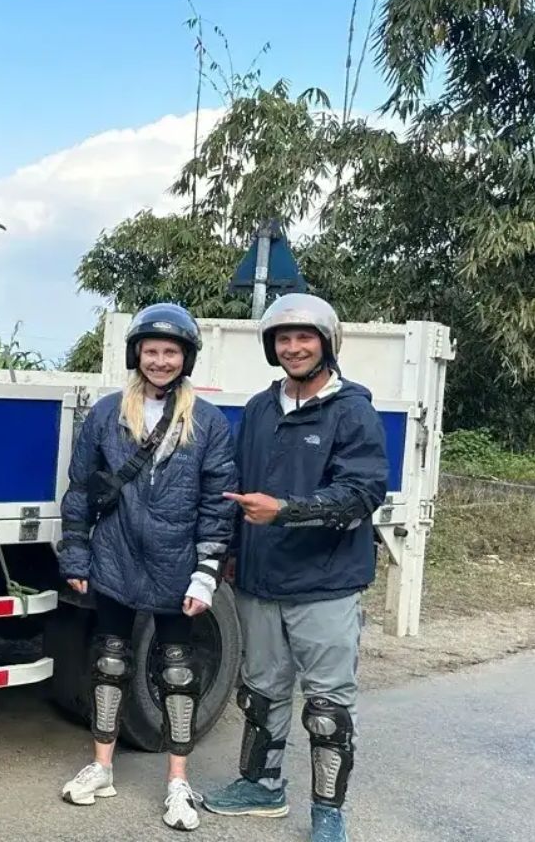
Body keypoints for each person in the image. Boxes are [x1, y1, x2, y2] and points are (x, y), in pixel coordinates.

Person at [201, 293, 388, 842]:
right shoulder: (261, 407)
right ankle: (261, 785)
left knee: (327, 707)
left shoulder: (352, 408)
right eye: (283, 339)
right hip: (260, 581)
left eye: (304, 338)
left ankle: (329, 814)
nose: (293, 348)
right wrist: (233, 553)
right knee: (260, 691)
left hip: (325, 584)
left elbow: (361, 493)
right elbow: (238, 487)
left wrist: (286, 513)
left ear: (326, 343)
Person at [54, 303, 237, 831]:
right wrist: (76, 551)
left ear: (186, 358)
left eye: (171, 352)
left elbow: (216, 503)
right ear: (137, 354)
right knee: (109, 661)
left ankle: (178, 784)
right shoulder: (109, 413)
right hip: (114, 555)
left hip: (177, 560)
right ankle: (102, 767)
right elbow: (82, 489)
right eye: (151, 351)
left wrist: (206, 570)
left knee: (179, 671)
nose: (160, 361)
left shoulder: (207, 422)